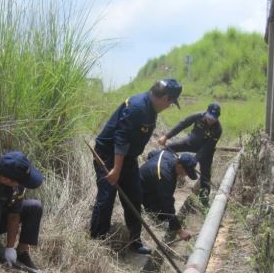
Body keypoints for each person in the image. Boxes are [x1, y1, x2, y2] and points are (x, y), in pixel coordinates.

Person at [90, 79, 183, 254]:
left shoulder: (151, 109)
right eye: (171, 103)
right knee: (107, 197)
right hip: (108, 155)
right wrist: (116, 170)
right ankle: (97, 240)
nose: (169, 106)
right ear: (165, 98)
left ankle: (135, 241)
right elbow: (121, 139)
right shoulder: (138, 107)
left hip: (128, 157)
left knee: (135, 196)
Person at [158, 102, 222, 206]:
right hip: (192, 140)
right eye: (209, 116)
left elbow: (207, 147)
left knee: (205, 174)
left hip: (206, 149)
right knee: (169, 148)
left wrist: (195, 160)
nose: (211, 120)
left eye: (214, 118)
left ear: (218, 117)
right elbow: (182, 124)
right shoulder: (198, 116)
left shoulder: (218, 129)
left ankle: (204, 200)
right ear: (206, 112)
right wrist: (166, 137)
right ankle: (166, 172)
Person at [140, 149, 198, 241]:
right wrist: (179, 230)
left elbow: (151, 154)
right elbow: (167, 204)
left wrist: (150, 172)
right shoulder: (164, 176)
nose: (186, 175)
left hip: (148, 181)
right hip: (140, 189)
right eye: (186, 172)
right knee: (161, 215)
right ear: (179, 165)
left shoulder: (167, 154)